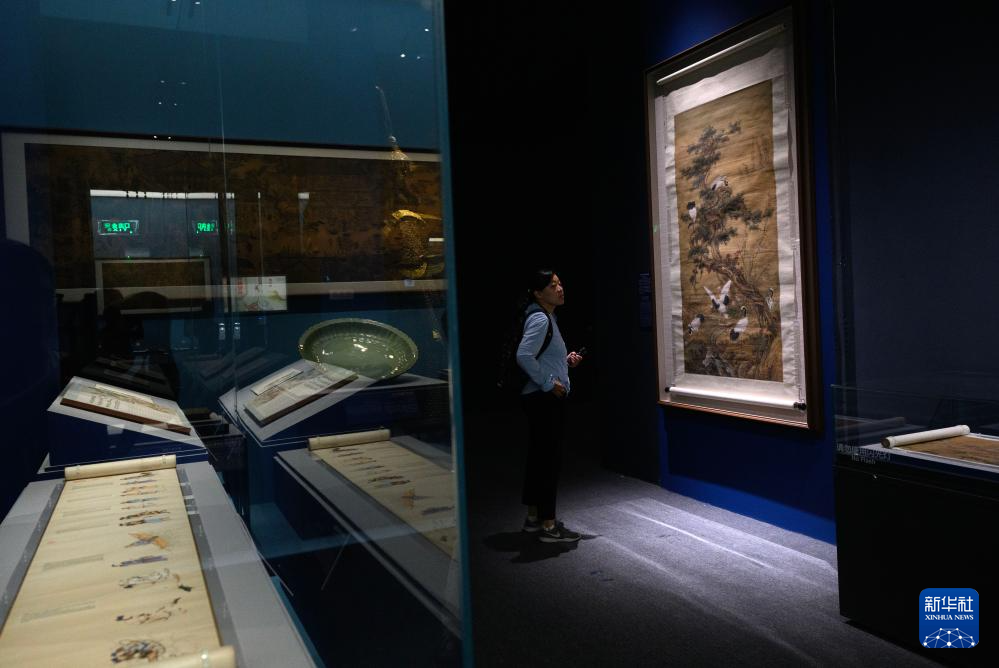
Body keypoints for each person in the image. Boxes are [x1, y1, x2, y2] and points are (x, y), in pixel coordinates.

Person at [516, 269, 584, 543]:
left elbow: (540, 357)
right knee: (548, 462)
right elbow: (524, 355)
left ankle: (534, 518)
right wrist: (548, 384)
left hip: (539, 398)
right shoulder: (540, 318)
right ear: (537, 292)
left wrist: (564, 363)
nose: (559, 288)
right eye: (552, 285)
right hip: (543, 400)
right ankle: (549, 525)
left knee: (539, 459)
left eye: (559, 283)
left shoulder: (547, 317)